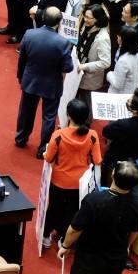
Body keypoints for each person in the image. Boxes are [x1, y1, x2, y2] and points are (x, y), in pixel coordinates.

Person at [59, 160, 138, 274]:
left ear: (113, 175)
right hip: (116, 258)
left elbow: (75, 229)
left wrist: (65, 246)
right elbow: (135, 231)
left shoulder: (95, 200)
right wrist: (126, 247)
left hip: (89, 258)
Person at [42, 100, 102, 250]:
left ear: (68, 115)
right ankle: (64, 238)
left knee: (54, 208)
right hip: (79, 184)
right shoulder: (93, 135)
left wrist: (45, 153)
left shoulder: (59, 135)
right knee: (73, 211)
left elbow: (48, 158)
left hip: (58, 181)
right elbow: (97, 160)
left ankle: (46, 236)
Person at [15, 8, 74, 156]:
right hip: (52, 84)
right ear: (59, 22)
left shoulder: (30, 34)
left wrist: (21, 77)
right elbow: (68, 67)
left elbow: (22, 58)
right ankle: (43, 149)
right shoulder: (63, 43)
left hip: (30, 80)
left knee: (26, 112)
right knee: (49, 117)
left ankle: (21, 139)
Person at [101, 89, 138, 185]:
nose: (127, 101)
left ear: (134, 110)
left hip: (117, 163)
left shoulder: (122, 124)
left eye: (129, 101)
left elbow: (106, 132)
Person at [76, 5, 112, 106]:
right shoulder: (87, 27)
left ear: (97, 19)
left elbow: (105, 62)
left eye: (89, 18)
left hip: (90, 79)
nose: (85, 20)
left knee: (85, 106)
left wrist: (84, 66)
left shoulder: (103, 38)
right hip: (78, 73)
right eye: (85, 16)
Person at [107, 26, 138, 95]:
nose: (117, 37)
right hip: (135, 92)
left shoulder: (123, 61)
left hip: (122, 95)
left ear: (124, 40)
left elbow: (118, 85)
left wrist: (109, 74)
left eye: (119, 36)